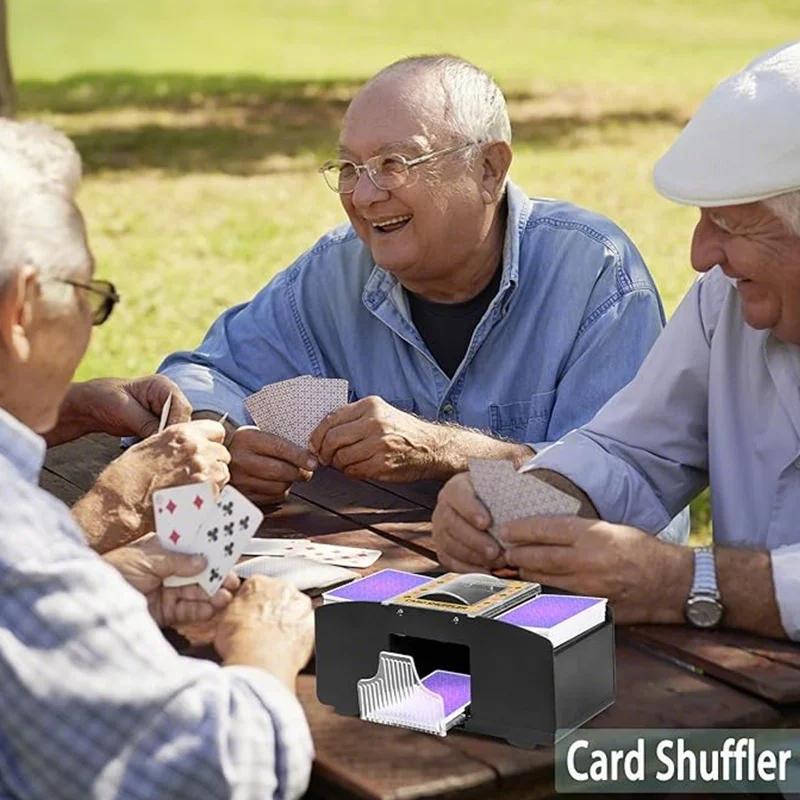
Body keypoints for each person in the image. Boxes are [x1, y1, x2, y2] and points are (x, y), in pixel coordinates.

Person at [158, 54, 668, 510]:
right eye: (350, 167)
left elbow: (625, 498)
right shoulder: (336, 271)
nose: (363, 196)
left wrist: (447, 452)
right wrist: (226, 438)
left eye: (393, 164)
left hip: (540, 583)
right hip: (370, 572)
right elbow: (200, 376)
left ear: (489, 169)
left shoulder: (594, 275)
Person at [432, 42, 800, 642]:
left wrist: (687, 581)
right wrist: (513, 501)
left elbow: (674, 568)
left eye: (730, 225)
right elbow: (633, 450)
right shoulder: (725, 298)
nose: (700, 255)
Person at [0, 121, 314, 797]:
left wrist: (106, 583)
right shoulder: (19, 540)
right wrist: (265, 644)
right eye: (89, 299)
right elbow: (217, 768)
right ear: (21, 312)